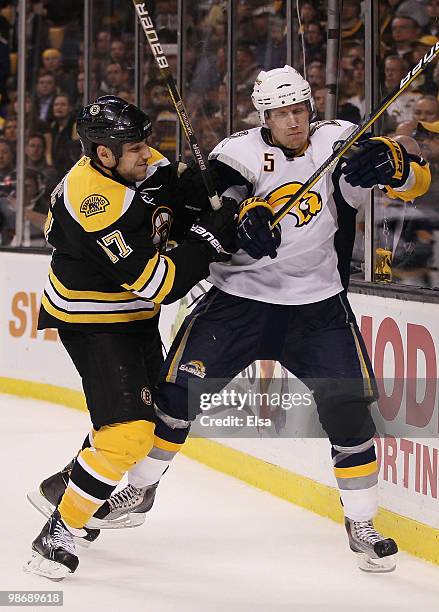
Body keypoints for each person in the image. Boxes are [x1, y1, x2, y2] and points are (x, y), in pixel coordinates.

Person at [30, 69, 431, 574]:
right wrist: (236, 223)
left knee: (349, 415)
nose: (294, 122)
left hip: (318, 307)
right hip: (236, 302)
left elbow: (415, 182)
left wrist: (399, 166)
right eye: (282, 114)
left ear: (311, 105)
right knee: (170, 404)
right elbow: (210, 205)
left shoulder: (337, 140)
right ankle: (137, 489)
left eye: (300, 109)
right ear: (263, 116)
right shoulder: (235, 153)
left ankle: (363, 523)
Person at [24, 95, 238, 580]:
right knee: (129, 433)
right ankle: (57, 534)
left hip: (134, 315)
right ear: (103, 154)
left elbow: (169, 203)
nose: (148, 154)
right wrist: (209, 242)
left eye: (146, 143)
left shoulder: (138, 164)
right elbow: (158, 283)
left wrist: (205, 193)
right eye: (135, 148)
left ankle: (66, 486)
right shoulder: (92, 202)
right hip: (92, 319)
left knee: (137, 415)